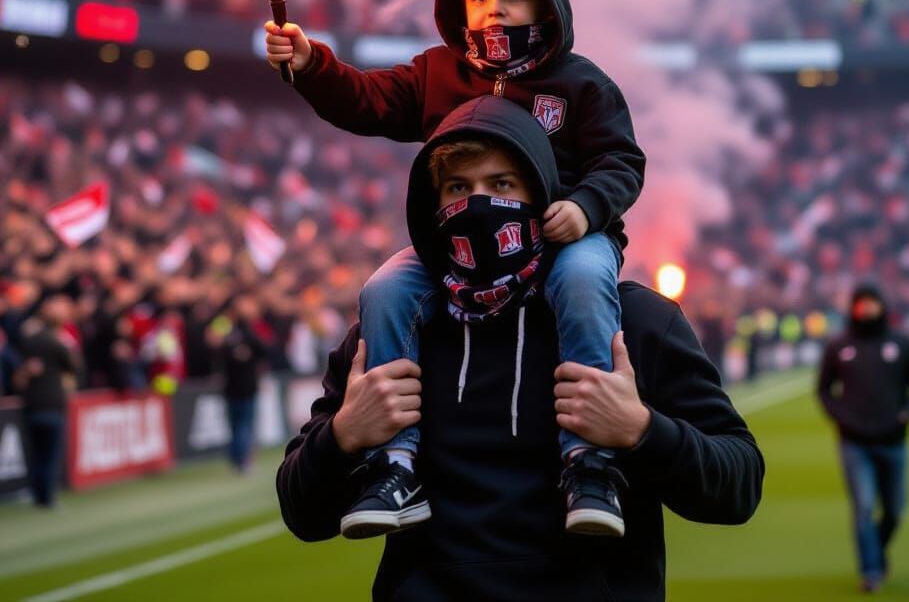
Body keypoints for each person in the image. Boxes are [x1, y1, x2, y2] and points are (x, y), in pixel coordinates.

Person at [277, 96, 764, 601]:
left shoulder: (635, 322)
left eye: (502, 184)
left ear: (543, 194)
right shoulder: (391, 329)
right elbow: (302, 514)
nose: (479, 204)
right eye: (458, 188)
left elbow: (739, 486)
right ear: (433, 205)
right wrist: (343, 436)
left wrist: (641, 431)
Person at [266, 0, 645, 537]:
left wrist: (585, 208)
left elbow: (622, 161)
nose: (494, 8)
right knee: (385, 289)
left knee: (581, 282)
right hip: (460, 251)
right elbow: (367, 100)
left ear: (547, 5)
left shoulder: (581, 83)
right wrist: (312, 64)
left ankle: (589, 461)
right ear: (459, 8)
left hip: (562, 240)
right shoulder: (437, 73)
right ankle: (393, 463)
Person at [817, 284, 909, 593]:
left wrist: (907, 413)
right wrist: (840, 417)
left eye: (871, 303)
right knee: (864, 507)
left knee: (895, 509)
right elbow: (823, 390)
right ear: (853, 307)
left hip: (894, 440)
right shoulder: (838, 346)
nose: (866, 309)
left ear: (882, 306)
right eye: (860, 304)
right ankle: (870, 571)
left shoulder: (902, 344)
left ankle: (877, 553)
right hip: (854, 442)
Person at [13, 296, 78, 508]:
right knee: (49, 455)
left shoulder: (28, 340)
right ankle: (47, 497)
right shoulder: (56, 343)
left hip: (31, 404)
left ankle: (35, 494)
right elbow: (73, 366)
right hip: (52, 403)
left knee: (35, 453)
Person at [209, 296, 268, 473]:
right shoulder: (237, 329)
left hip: (237, 384)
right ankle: (241, 459)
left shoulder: (235, 329)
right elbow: (263, 350)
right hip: (240, 384)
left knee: (238, 424)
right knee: (243, 424)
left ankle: (238, 459)